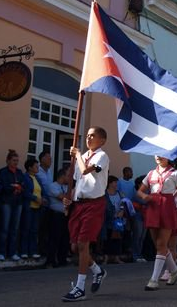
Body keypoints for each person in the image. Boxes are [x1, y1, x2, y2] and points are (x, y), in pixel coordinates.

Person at [61, 127, 109, 302]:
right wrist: (69, 199)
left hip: (94, 204)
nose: (88, 138)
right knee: (75, 247)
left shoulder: (102, 157)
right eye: (87, 135)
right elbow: (77, 182)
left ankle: (80, 287)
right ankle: (98, 271)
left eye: (92, 136)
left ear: (102, 140)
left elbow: (85, 171)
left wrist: (78, 155)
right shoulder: (82, 158)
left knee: (83, 244)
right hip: (79, 205)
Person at [137, 156, 177, 291]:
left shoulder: (175, 173)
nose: (157, 156)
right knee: (158, 244)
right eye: (156, 154)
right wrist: (145, 196)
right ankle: (174, 270)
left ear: (168, 157)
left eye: (161, 154)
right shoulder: (151, 173)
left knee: (162, 244)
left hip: (167, 208)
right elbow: (139, 191)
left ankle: (154, 279)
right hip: (153, 207)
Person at [0, 149, 25, 261]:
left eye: (17, 161)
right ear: (8, 161)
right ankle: (1, 252)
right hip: (6, 202)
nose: (16, 163)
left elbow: (22, 185)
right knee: (4, 227)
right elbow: (4, 186)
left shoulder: (19, 172)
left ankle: (12, 252)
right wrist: (14, 187)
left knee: (14, 228)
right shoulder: (3, 171)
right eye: (13, 160)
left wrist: (17, 187)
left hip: (18, 202)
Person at [20, 159, 47, 259]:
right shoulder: (25, 177)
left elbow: (42, 191)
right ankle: (24, 251)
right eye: (36, 166)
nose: (37, 168)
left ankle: (33, 251)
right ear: (30, 168)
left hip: (37, 208)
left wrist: (43, 198)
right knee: (26, 229)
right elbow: (25, 192)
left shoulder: (37, 178)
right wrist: (35, 198)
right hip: (29, 207)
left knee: (34, 230)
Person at [46, 168, 69, 267]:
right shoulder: (53, 186)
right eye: (68, 175)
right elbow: (63, 197)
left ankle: (62, 259)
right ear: (62, 176)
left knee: (65, 238)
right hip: (55, 215)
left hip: (66, 215)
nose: (70, 178)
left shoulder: (67, 187)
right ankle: (51, 260)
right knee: (54, 238)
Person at [104, 175, 126, 264]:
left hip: (118, 219)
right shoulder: (104, 193)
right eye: (115, 182)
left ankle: (116, 257)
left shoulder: (119, 193)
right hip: (108, 219)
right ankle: (106, 257)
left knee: (118, 238)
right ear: (110, 183)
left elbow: (123, 202)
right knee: (107, 238)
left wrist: (121, 210)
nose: (116, 184)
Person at [36, 151, 53, 258]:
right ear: (42, 159)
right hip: (40, 203)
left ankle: (43, 249)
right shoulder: (38, 171)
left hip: (49, 203)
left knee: (46, 229)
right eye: (48, 158)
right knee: (38, 228)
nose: (50, 160)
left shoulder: (49, 171)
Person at [131, 175, 147, 263]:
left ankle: (139, 254)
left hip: (145, 217)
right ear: (138, 184)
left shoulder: (147, 192)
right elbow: (145, 201)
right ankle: (135, 255)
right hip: (138, 216)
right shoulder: (137, 194)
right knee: (137, 236)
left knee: (142, 237)